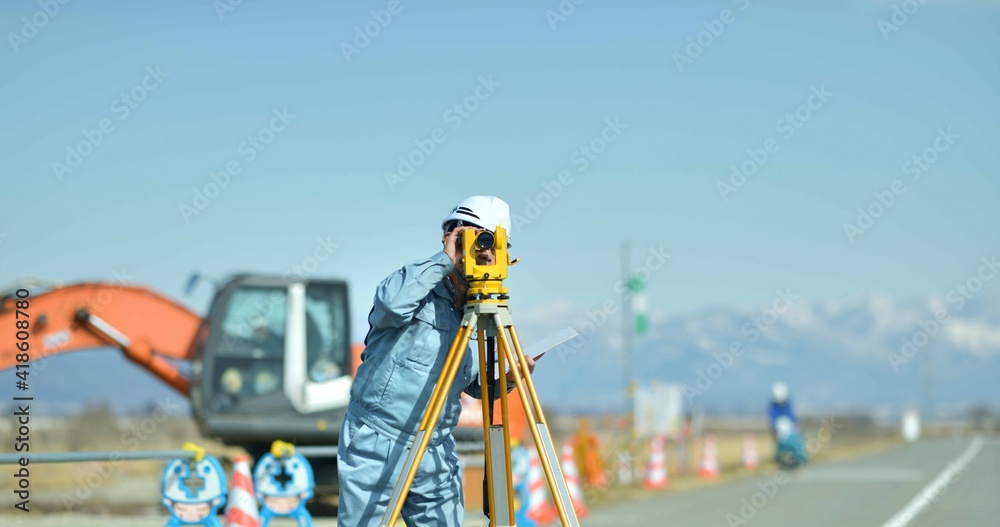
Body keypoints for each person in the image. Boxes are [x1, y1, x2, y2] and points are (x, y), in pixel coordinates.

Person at [337, 195, 535, 526]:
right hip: (379, 439)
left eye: (495, 243)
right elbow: (390, 306)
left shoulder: (475, 310)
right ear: (454, 235)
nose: (485, 251)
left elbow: (476, 386)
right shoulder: (414, 285)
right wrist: (444, 259)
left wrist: (512, 376)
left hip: (436, 447)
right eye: (478, 238)